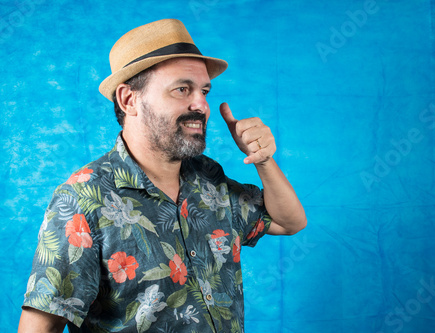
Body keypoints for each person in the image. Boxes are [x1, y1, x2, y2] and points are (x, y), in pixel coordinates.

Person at [18, 19, 306, 332]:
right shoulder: (83, 199)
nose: (202, 105)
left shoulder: (209, 176)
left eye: (204, 91)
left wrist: (264, 161)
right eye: (183, 89)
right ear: (129, 99)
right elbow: (39, 326)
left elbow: (289, 222)